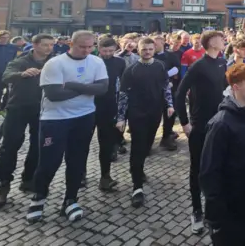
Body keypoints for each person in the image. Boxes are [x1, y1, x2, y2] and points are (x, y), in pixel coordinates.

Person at [26, 31, 109, 224]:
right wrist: (86, 87)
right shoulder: (55, 63)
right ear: (71, 43)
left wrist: (72, 85)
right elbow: (54, 94)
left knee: (78, 160)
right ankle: (39, 197)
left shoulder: (96, 62)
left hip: (84, 116)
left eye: (91, 47)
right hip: (55, 118)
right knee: (49, 161)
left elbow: (103, 88)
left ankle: (70, 199)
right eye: (82, 47)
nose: (87, 50)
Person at [199, 63, 245, 245]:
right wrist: (216, 217)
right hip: (232, 209)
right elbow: (209, 172)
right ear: (236, 87)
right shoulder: (221, 124)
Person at [0, 34, 54, 211]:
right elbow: (7, 75)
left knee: (38, 146)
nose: (49, 48)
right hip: (18, 108)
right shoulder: (21, 60)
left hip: (43, 109)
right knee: (10, 146)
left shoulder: (54, 61)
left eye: (51, 45)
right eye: (45, 45)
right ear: (34, 45)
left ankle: (28, 179)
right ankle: (3, 185)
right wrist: (22, 74)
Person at [176, 30, 227, 235]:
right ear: (211, 43)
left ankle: (215, 208)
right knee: (197, 168)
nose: (224, 41)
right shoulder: (198, 66)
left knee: (219, 166)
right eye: (220, 39)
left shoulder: (222, 62)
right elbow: (180, 94)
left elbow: (225, 89)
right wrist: (185, 123)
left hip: (219, 122)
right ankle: (197, 210)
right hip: (199, 124)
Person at [116, 37, 173, 207]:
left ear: (154, 49)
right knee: (138, 146)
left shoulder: (160, 66)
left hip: (155, 112)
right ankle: (137, 186)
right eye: (144, 49)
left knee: (147, 145)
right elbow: (123, 95)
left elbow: (165, 87)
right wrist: (121, 118)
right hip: (137, 112)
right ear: (138, 50)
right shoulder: (131, 70)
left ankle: (137, 168)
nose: (147, 52)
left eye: (150, 49)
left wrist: (170, 104)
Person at [95, 37, 126, 192]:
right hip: (90, 106)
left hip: (110, 106)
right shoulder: (92, 61)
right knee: (81, 143)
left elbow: (124, 83)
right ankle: (81, 174)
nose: (107, 54)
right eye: (104, 51)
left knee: (105, 143)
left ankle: (105, 176)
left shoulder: (120, 62)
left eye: (111, 51)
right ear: (98, 49)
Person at [152, 34, 181, 151]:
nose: (153, 46)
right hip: (153, 90)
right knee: (154, 115)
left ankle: (167, 136)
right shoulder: (150, 56)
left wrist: (165, 75)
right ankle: (149, 139)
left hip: (169, 90)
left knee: (169, 114)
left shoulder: (171, 55)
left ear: (163, 43)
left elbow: (177, 67)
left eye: (155, 44)